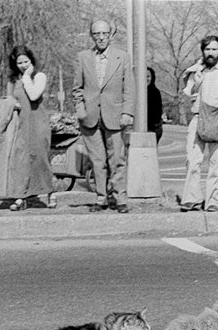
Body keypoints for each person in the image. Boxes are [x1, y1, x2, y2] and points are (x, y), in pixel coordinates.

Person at [72, 19, 135, 213]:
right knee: (97, 161)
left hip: (115, 116)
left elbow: (129, 89)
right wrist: (80, 109)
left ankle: (120, 198)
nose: (100, 38)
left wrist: (127, 112)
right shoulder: (83, 57)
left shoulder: (122, 57)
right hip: (90, 118)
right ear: (92, 36)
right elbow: (77, 89)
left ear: (110, 35)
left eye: (104, 34)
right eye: (96, 34)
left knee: (117, 159)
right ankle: (101, 198)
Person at [179, 35, 218, 213]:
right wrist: (196, 83)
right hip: (198, 117)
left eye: (214, 49)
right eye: (207, 49)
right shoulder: (196, 70)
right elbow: (188, 93)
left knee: (216, 163)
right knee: (193, 160)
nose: (210, 53)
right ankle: (191, 199)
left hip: (217, 118)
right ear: (203, 51)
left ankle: (212, 201)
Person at [0, 45, 56, 211]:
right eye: (19, 63)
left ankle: (49, 192)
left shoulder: (39, 76)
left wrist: (27, 76)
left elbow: (33, 95)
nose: (23, 65)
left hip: (37, 123)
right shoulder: (12, 81)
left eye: (26, 61)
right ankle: (20, 196)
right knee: (20, 161)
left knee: (39, 159)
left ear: (31, 61)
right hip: (19, 124)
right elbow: (7, 99)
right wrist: (11, 104)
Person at [146, 67, 164, 144]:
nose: (146, 79)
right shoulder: (133, 92)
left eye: (148, 76)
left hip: (152, 129)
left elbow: (158, 113)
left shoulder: (155, 92)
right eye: (144, 76)